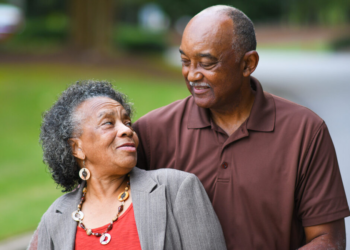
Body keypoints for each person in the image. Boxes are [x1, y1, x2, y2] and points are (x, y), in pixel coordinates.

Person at [133, 5, 350, 250]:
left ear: (248, 64)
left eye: (206, 63)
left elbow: (328, 240)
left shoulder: (305, 132)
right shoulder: (152, 132)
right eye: (185, 61)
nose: (192, 75)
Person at [28, 81, 226, 250]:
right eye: (108, 123)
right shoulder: (55, 218)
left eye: (127, 122)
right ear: (77, 148)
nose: (126, 130)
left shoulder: (176, 189)